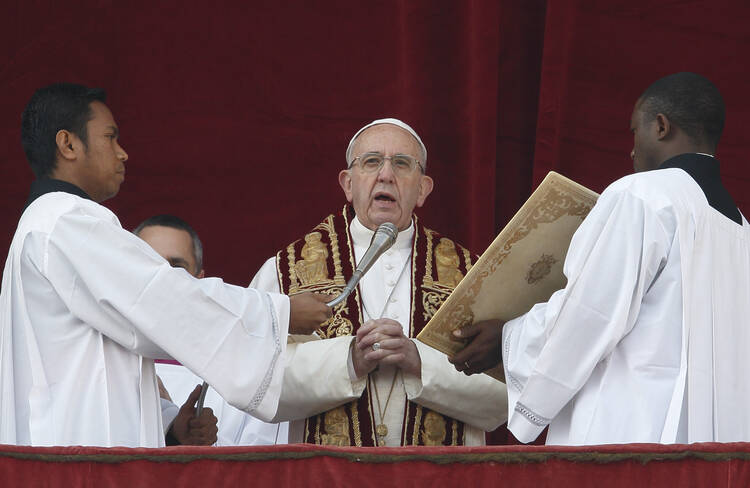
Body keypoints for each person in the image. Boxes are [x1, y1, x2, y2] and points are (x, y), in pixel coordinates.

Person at [0, 83, 331, 447]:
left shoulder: (48, 225)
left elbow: (95, 359)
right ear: (68, 144)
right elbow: (164, 300)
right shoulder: (66, 222)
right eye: (110, 137)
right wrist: (278, 313)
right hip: (79, 464)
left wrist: (171, 426)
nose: (122, 153)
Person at [451, 72, 750, 445]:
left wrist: (508, 337)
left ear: (660, 126)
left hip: (634, 434)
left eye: (633, 131)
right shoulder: (740, 230)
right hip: (715, 446)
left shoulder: (642, 196)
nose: (631, 149)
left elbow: (590, 313)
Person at [251, 118, 508, 446]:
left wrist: (420, 363)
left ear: (423, 189)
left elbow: (504, 394)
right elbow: (256, 380)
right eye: (371, 161)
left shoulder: (471, 275)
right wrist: (348, 362)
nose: (386, 174)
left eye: (402, 164)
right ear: (347, 183)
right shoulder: (287, 270)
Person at [135, 214, 288, 445]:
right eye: (150, 264)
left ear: (200, 280)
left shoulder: (241, 370)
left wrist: (181, 429)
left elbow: (256, 465)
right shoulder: (105, 358)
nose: (163, 280)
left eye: (176, 267)